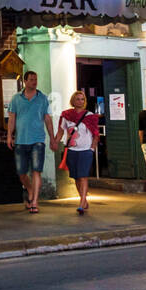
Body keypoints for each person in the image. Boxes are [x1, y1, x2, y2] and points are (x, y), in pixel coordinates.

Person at [7, 70, 55, 214]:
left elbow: (47, 119)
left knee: (36, 170)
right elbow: (12, 118)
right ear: (25, 81)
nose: (34, 82)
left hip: (38, 140)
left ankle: (34, 202)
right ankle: (29, 189)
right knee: (21, 172)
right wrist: (9, 136)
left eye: (36, 79)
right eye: (32, 79)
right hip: (21, 140)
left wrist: (52, 138)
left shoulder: (43, 98)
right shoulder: (16, 99)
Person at [56, 91, 99, 214]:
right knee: (76, 177)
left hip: (85, 150)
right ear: (73, 101)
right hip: (71, 150)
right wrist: (54, 141)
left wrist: (92, 148)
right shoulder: (66, 115)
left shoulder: (90, 116)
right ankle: (83, 199)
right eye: (77, 99)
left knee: (83, 176)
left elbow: (95, 134)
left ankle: (81, 202)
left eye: (82, 99)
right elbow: (60, 131)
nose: (80, 101)